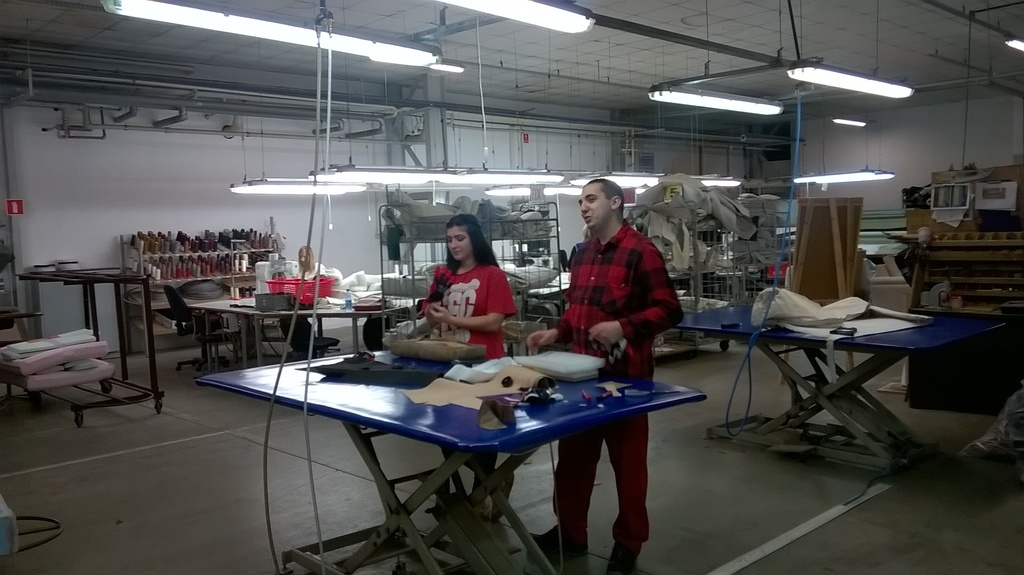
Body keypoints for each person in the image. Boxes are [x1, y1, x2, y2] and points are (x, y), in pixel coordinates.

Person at [526, 178, 683, 575]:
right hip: (582, 380)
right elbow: (577, 309)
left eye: (591, 199)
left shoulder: (640, 252)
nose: (583, 206)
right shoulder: (581, 254)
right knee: (573, 463)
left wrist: (622, 327)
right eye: (580, 200)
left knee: (628, 469)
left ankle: (628, 544)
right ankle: (570, 533)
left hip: (627, 382)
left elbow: (669, 310)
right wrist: (556, 332)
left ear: (615, 202)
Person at [424, 213, 517, 520]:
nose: (454, 245)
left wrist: (452, 318)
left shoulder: (492, 275)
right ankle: (469, 495)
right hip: (449, 364)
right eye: (449, 239)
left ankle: (485, 490)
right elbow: (429, 318)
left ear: (474, 238)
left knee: (483, 432)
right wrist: (434, 310)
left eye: (460, 238)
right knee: (446, 432)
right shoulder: (442, 274)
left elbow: (493, 322)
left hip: (484, 366)